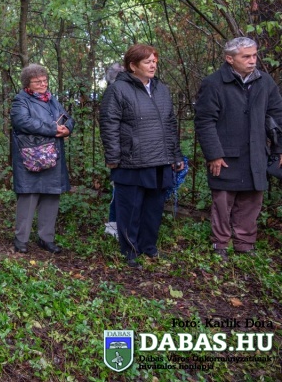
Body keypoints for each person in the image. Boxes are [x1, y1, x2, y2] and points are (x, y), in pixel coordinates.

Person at [194, 37, 282, 260]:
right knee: (223, 202)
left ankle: (245, 244)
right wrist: (214, 154)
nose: (253, 60)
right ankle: (220, 244)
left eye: (254, 55)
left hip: (256, 153)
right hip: (225, 155)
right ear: (230, 59)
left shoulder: (265, 82)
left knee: (252, 201)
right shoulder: (213, 83)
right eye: (246, 56)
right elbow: (204, 121)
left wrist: (279, 149)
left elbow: (277, 117)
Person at [99, 44, 184, 269]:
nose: (153, 65)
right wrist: (113, 157)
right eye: (147, 62)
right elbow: (109, 124)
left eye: (155, 61)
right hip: (132, 160)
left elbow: (170, 123)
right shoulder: (118, 90)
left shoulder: (161, 89)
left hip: (160, 159)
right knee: (130, 209)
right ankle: (130, 251)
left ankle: (149, 246)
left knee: (154, 208)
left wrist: (175, 155)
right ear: (133, 66)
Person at [10, 64, 74, 254]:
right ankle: (21, 239)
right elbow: (23, 122)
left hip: (52, 154)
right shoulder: (20, 100)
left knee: (51, 195)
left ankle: (46, 238)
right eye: (37, 82)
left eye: (45, 80)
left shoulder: (51, 99)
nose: (43, 84)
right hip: (30, 156)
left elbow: (67, 117)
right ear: (27, 84)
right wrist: (53, 129)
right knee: (28, 196)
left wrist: (67, 128)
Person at [103, 62, 125, 239]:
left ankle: (116, 226)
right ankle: (114, 226)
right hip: (120, 152)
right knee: (119, 190)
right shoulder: (113, 94)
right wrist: (113, 156)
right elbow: (109, 127)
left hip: (129, 151)